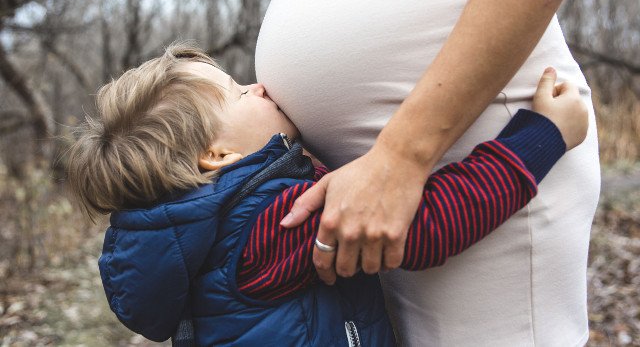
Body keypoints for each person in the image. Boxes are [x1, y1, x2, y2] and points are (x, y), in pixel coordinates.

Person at [219, 0, 602, 344]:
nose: (251, 87)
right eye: (234, 94)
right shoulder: (254, 233)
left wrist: (400, 156)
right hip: (380, 203)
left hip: (466, 168)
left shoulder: (229, 238)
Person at [67, 44, 587, 345]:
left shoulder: (211, 231)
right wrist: (542, 137)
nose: (259, 87)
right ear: (216, 155)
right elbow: (423, 224)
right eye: (237, 90)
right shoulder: (270, 224)